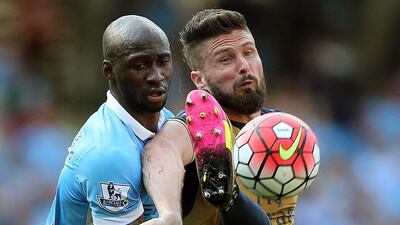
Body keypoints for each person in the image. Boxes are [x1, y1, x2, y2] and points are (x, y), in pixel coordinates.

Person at [142, 9, 298, 225]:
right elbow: (161, 150)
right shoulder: (201, 128)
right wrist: (169, 214)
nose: (244, 66)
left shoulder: (281, 126)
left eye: (249, 52)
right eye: (225, 59)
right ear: (200, 80)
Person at [46, 15, 174, 225]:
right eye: (140, 65)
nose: (156, 76)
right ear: (109, 70)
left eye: (163, 61)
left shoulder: (167, 121)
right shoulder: (109, 153)